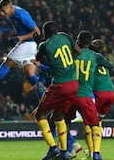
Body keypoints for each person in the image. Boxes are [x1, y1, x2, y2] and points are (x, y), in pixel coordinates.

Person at [33, 21, 80, 160]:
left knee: (39, 114)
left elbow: (37, 58)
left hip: (60, 85)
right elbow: (78, 51)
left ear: (45, 33)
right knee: (58, 117)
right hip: (74, 84)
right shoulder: (65, 36)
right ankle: (64, 153)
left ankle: (53, 148)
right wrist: (67, 63)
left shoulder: (45, 45)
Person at [65, 31, 113, 160]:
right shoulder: (94, 56)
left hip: (71, 94)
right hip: (88, 95)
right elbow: (110, 65)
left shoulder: (72, 54)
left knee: (63, 122)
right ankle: (95, 153)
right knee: (95, 124)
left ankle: (66, 151)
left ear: (78, 41)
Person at [83, 39, 114, 158]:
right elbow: (111, 66)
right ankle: (96, 151)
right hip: (111, 92)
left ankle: (93, 153)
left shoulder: (89, 59)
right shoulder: (102, 60)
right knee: (98, 121)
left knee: (88, 123)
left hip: (99, 93)